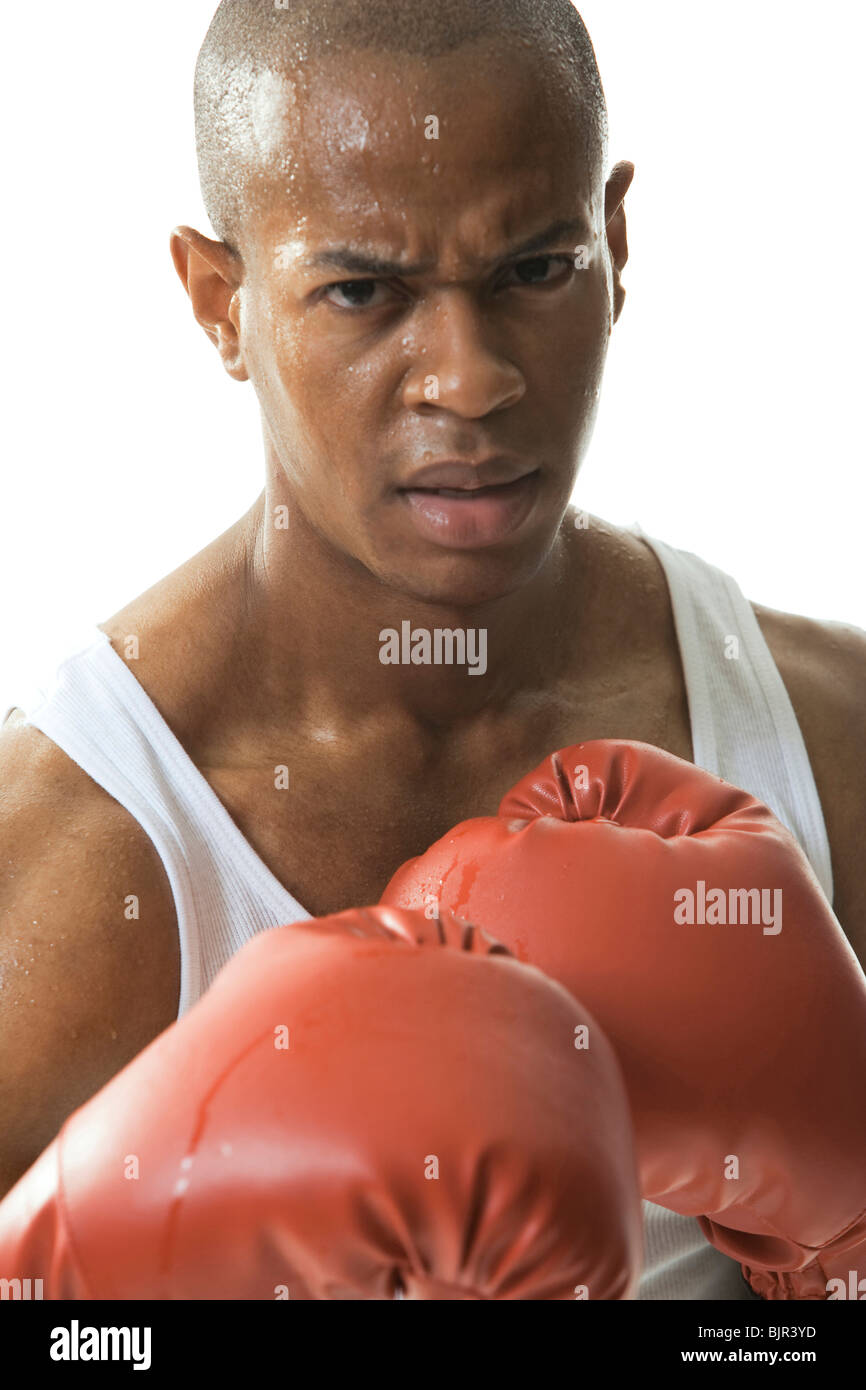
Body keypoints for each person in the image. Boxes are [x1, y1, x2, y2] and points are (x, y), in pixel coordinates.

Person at [0, 0, 863, 1300]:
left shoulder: (826, 748)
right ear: (218, 300)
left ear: (614, 244)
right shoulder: (66, 879)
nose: (467, 381)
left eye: (531, 269)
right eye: (363, 290)